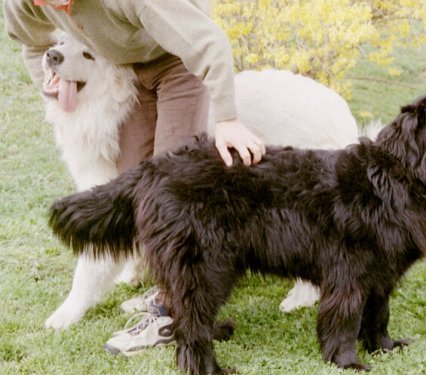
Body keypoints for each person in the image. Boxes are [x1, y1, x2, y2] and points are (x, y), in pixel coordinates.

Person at [4, 0, 266, 355]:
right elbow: (34, 43)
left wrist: (228, 120)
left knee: (171, 194)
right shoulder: (21, 5)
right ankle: (160, 282)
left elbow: (209, 42)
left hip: (177, 61)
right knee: (133, 189)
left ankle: (170, 312)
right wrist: (54, 97)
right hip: (127, 68)